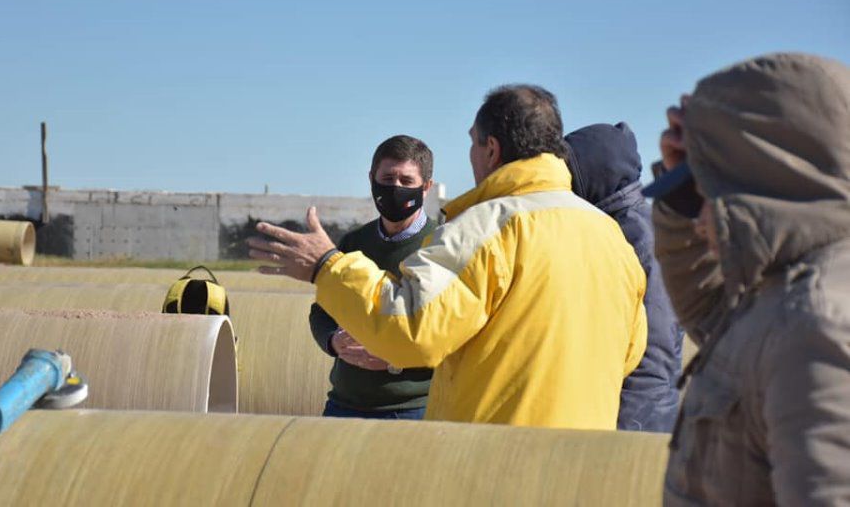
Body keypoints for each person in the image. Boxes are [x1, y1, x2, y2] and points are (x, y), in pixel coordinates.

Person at [249, 84, 647, 429]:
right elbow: (630, 353)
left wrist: (326, 267)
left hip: (494, 461)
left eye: (473, 142)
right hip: (581, 461)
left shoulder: (487, 228)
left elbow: (411, 328)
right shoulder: (609, 236)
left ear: (491, 149)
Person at [643, 53, 850, 505]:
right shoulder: (782, 294)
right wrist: (681, 191)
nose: (700, 222)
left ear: (758, 191)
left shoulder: (817, 327)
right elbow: (709, 310)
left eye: (710, 195)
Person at [309, 135, 437, 420]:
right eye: (388, 178)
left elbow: (453, 332)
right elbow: (321, 310)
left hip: (412, 410)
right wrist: (333, 341)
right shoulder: (354, 241)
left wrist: (397, 359)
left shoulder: (442, 244)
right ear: (372, 179)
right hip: (343, 404)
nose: (396, 188)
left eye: (407, 181)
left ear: (426, 187)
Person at [565, 122, 683, 432]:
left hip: (638, 418)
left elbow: (655, 350)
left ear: (589, 175)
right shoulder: (617, 225)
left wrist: (626, 430)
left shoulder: (637, 236)